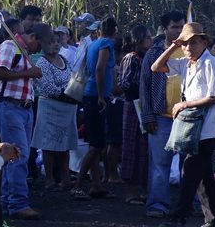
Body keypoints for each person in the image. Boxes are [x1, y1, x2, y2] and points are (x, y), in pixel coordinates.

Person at [150, 23, 215, 227]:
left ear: (204, 42)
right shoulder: (185, 63)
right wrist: (173, 47)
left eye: (193, 42)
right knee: (203, 177)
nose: (188, 47)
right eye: (185, 44)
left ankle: (177, 218)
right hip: (192, 128)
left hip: (207, 129)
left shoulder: (212, 63)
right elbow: (156, 67)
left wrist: (184, 104)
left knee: (190, 172)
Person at [0, 22, 52, 220]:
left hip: (23, 108)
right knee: (19, 155)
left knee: (14, 156)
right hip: (11, 107)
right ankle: (18, 203)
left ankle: (8, 202)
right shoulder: (11, 46)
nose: (38, 50)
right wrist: (29, 73)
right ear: (33, 37)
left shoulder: (23, 50)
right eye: (39, 45)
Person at [139, 10, 187, 218]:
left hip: (187, 117)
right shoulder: (154, 52)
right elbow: (144, 86)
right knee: (160, 165)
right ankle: (157, 205)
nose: (178, 31)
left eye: (181, 26)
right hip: (161, 117)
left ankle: (189, 204)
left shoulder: (191, 51)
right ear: (165, 29)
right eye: (174, 27)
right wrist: (147, 116)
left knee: (189, 164)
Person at [78, 16, 121, 199]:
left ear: (98, 30)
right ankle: (78, 184)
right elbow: (99, 68)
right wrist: (102, 95)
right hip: (96, 97)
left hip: (91, 95)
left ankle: (96, 185)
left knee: (95, 143)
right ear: (115, 32)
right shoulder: (106, 44)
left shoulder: (93, 43)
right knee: (96, 145)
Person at [32, 29, 75, 191]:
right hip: (50, 106)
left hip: (66, 107)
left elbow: (72, 78)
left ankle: (65, 178)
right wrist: (67, 94)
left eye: (57, 41)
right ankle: (49, 179)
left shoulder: (64, 59)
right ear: (43, 44)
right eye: (51, 41)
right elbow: (48, 87)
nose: (55, 44)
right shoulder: (42, 62)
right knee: (49, 145)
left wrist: (72, 92)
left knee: (65, 144)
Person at [118, 25, 151, 205]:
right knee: (132, 147)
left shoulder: (148, 57)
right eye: (146, 37)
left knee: (145, 148)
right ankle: (131, 192)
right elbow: (125, 84)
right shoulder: (132, 58)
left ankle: (145, 190)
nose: (150, 40)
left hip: (144, 106)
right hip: (133, 106)